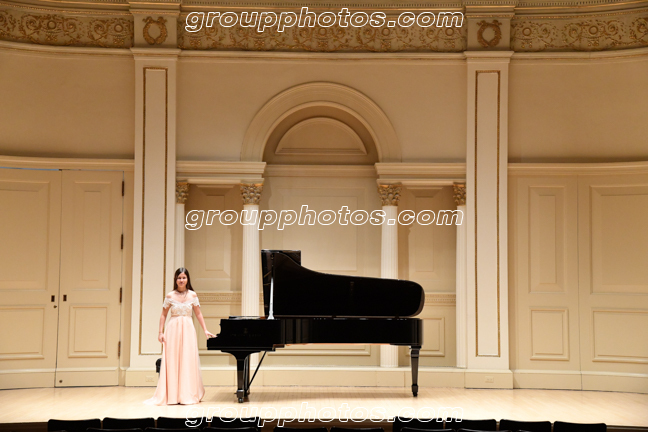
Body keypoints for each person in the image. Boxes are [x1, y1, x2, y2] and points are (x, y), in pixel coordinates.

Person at [144, 268, 215, 405]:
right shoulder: (170, 295)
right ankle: (172, 395)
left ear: (187, 279)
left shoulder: (193, 295)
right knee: (173, 359)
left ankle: (186, 394)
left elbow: (198, 313)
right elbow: (163, 314)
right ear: (175, 280)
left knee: (187, 359)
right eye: (179, 278)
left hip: (188, 329)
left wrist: (205, 330)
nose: (181, 280)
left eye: (184, 277)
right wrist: (160, 332)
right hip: (173, 329)